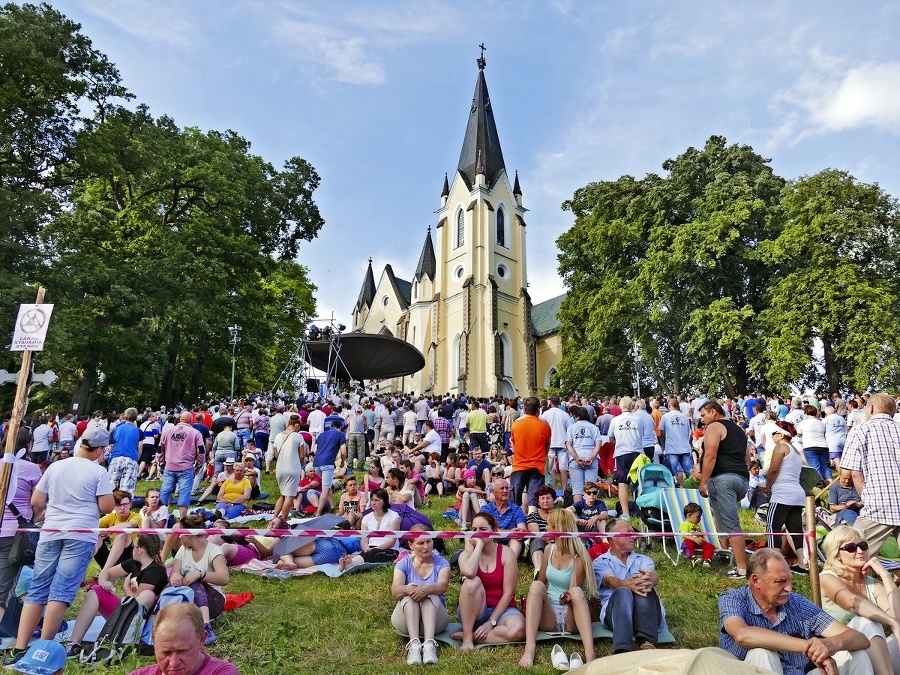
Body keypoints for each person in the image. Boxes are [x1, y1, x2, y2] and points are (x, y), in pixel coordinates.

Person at [6, 427, 115, 665]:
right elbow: (107, 507)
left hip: (50, 531)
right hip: (80, 534)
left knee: (37, 589)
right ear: (98, 450)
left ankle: (20, 647)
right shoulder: (98, 471)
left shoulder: (56, 466)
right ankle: (42, 650)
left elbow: (36, 501)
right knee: (61, 592)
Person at [719, 548, 873, 675]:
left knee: (857, 655)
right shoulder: (733, 598)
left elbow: (860, 639)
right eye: (780, 582)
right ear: (756, 580)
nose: (789, 588)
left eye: (789, 580)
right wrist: (808, 647)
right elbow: (742, 634)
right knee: (762, 653)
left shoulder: (796, 602)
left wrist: (830, 645)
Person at [518, 509, 598, 669]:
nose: (545, 529)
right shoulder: (549, 550)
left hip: (570, 616)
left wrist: (567, 597)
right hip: (550, 616)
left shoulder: (579, 557)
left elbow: (573, 592)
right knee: (536, 585)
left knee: (576, 592)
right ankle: (530, 648)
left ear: (557, 529)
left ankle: (590, 654)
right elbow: (541, 583)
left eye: (548, 525)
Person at [66, 533, 168, 657]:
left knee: (145, 595)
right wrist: (104, 583)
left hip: (140, 620)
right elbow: (106, 573)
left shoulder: (155, 571)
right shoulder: (135, 563)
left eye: (133, 546)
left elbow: (136, 605)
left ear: (140, 550)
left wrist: (126, 588)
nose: (132, 549)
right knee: (96, 591)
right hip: (126, 611)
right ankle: (74, 642)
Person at [820, 526, 900, 674]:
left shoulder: (872, 583)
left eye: (862, 546)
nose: (859, 551)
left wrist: (884, 574)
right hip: (840, 654)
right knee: (868, 622)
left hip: (872, 654)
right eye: (851, 548)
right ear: (837, 554)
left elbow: (897, 615)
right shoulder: (827, 578)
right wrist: (892, 623)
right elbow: (851, 603)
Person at [452, 512, 526, 651]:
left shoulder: (507, 553)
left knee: (519, 630)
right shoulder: (466, 554)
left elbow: (509, 593)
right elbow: (468, 573)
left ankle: (472, 636)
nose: (478, 533)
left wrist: (491, 622)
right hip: (475, 611)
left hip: (503, 610)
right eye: (474, 530)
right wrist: (479, 546)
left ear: (494, 531)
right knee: (471, 582)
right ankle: (467, 639)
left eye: (483, 530)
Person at [592, 519, 665, 653]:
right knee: (623, 591)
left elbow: (653, 575)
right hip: (616, 616)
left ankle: (647, 641)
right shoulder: (600, 562)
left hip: (647, 613)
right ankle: (623, 648)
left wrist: (650, 579)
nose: (634, 535)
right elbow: (609, 580)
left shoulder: (643, 559)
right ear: (614, 537)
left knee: (643, 584)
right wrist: (626, 584)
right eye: (629, 532)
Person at [841, 393, 900, 557]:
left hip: (878, 505)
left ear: (871, 408)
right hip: (884, 503)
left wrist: (865, 498)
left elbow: (854, 474)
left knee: (851, 556)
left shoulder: (860, 430)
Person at [698, 399, 750, 578]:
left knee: (730, 523)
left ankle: (742, 568)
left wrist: (703, 481)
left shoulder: (714, 427)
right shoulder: (740, 430)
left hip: (723, 479)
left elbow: (710, 455)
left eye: (703, 415)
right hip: (742, 479)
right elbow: (748, 458)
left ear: (713, 412)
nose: (702, 419)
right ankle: (725, 552)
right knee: (722, 519)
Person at [127, 603, 239, 675]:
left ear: (202, 640)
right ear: (154, 644)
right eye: (166, 653)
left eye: (182, 651)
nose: (174, 663)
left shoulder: (222, 672)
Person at [391, 532, 451, 666]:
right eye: (421, 543)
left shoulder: (442, 562)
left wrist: (428, 589)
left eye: (429, 542)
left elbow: (442, 586)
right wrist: (409, 589)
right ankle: (414, 645)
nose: (426, 547)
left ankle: (429, 644)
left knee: (430, 594)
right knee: (410, 596)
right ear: (411, 545)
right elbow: (395, 591)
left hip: (435, 621)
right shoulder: (403, 563)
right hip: (407, 621)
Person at [170, 513, 230, 644]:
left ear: (191, 535)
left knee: (196, 582)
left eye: (182, 533)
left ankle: (206, 626)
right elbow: (174, 572)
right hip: (189, 599)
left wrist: (201, 574)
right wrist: (176, 576)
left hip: (214, 602)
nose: (179, 536)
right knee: (170, 587)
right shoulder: (183, 549)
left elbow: (224, 578)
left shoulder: (214, 550)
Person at [765, 420, 808, 574]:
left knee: (772, 527)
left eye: (774, 433)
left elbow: (773, 470)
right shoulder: (796, 450)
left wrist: (768, 485)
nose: (772, 436)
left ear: (782, 434)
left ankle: (774, 565)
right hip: (797, 494)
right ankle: (802, 564)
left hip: (783, 494)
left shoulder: (781, 446)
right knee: (795, 529)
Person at [158, 411, 205, 521]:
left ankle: (160, 516)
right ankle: (183, 519)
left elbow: (160, 448)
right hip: (186, 467)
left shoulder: (167, 431)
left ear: (180, 419)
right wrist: (198, 465)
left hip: (169, 465)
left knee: (165, 490)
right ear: (191, 420)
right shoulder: (195, 433)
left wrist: (161, 462)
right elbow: (201, 451)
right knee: (184, 492)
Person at [338, 489, 401, 571]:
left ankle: (351, 564)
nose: (373, 503)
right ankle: (350, 563)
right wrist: (366, 549)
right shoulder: (366, 518)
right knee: (367, 553)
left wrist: (375, 549)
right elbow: (364, 540)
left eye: (377, 500)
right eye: (372, 500)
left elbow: (392, 541)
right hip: (370, 548)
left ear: (385, 501)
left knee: (375, 553)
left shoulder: (393, 516)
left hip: (390, 550)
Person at [509, 397, 552, 514]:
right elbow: (547, 446)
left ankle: (516, 522)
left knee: (515, 500)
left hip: (519, 465)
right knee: (533, 500)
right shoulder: (545, 426)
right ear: (538, 410)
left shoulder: (516, 424)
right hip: (537, 465)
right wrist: (543, 457)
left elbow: (513, 442)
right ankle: (532, 522)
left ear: (524, 409)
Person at [608, 396, 642, 518]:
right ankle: (640, 509)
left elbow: (611, 438)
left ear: (620, 407)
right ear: (632, 406)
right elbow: (641, 435)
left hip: (622, 452)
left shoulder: (615, 420)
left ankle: (626, 513)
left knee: (622, 482)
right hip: (637, 451)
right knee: (639, 482)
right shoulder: (638, 419)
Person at [478, 476, 528, 558]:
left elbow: (522, 528)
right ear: (493, 492)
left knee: (516, 540)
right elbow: (486, 531)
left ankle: (509, 563)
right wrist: (510, 532)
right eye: (502, 488)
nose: (505, 491)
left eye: (507, 488)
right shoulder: (486, 509)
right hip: (491, 543)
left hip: (510, 544)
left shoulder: (516, 509)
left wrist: (521, 532)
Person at [95, 489, 141, 573]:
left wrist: (107, 531)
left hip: (130, 558)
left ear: (130, 505)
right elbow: (93, 526)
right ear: (114, 506)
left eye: (125, 504)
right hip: (111, 558)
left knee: (123, 533)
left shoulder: (136, 516)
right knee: (94, 536)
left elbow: (129, 525)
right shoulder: (111, 517)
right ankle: (80, 573)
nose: (122, 508)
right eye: (119, 505)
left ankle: (104, 573)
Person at [272, 414, 305, 528]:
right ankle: (283, 522)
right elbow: (302, 456)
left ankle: (274, 518)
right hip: (293, 467)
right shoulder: (298, 436)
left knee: (282, 495)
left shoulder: (277, 436)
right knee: (289, 496)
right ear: (296, 425)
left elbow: (276, 455)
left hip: (280, 468)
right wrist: (300, 466)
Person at [565, 406, 602, 505]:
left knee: (577, 489)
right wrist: (591, 457)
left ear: (576, 417)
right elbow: (598, 444)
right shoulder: (594, 428)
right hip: (591, 458)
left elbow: (568, 444)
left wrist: (576, 458)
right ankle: (590, 511)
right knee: (591, 488)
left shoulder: (571, 428)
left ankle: (578, 512)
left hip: (576, 458)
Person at [313, 419, 347, 516]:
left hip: (317, 463)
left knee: (327, 485)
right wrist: (343, 462)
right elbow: (343, 452)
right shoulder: (340, 435)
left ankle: (332, 506)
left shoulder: (321, 434)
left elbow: (315, 450)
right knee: (325, 488)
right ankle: (318, 513)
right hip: (327, 463)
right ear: (340, 428)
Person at [660, 397, 693, 487]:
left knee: (671, 473)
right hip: (685, 447)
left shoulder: (665, 417)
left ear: (670, 406)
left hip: (672, 448)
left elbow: (662, 432)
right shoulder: (685, 417)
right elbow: (689, 432)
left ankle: (672, 490)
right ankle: (694, 490)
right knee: (690, 473)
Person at [107, 407, 141, 495]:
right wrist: (137, 458)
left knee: (110, 486)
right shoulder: (138, 431)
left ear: (125, 417)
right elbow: (140, 448)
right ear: (136, 418)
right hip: (131, 458)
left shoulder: (117, 429)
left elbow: (111, 445)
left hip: (116, 457)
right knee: (127, 490)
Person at [796, 405, 831, 482]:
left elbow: (798, 434)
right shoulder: (821, 422)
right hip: (823, 445)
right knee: (825, 467)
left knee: (815, 467)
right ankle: (830, 483)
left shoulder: (803, 423)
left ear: (806, 413)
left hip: (810, 446)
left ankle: (820, 485)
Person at [526, 485, 556, 570]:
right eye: (542, 498)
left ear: (553, 499)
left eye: (548, 498)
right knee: (537, 540)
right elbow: (536, 533)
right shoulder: (533, 516)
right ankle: (538, 569)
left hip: (557, 544)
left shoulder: (559, 515)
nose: (545, 501)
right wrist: (548, 538)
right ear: (538, 502)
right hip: (539, 547)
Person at [680, 501, 715, 566]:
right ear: (689, 515)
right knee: (687, 542)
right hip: (689, 543)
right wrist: (693, 539)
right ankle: (693, 558)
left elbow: (700, 535)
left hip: (697, 543)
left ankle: (706, 560)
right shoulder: (685, 524)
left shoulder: (696, 526)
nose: (700, 519)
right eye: (698, 517)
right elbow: (684, 534)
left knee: (710, 546)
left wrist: (702, 539)